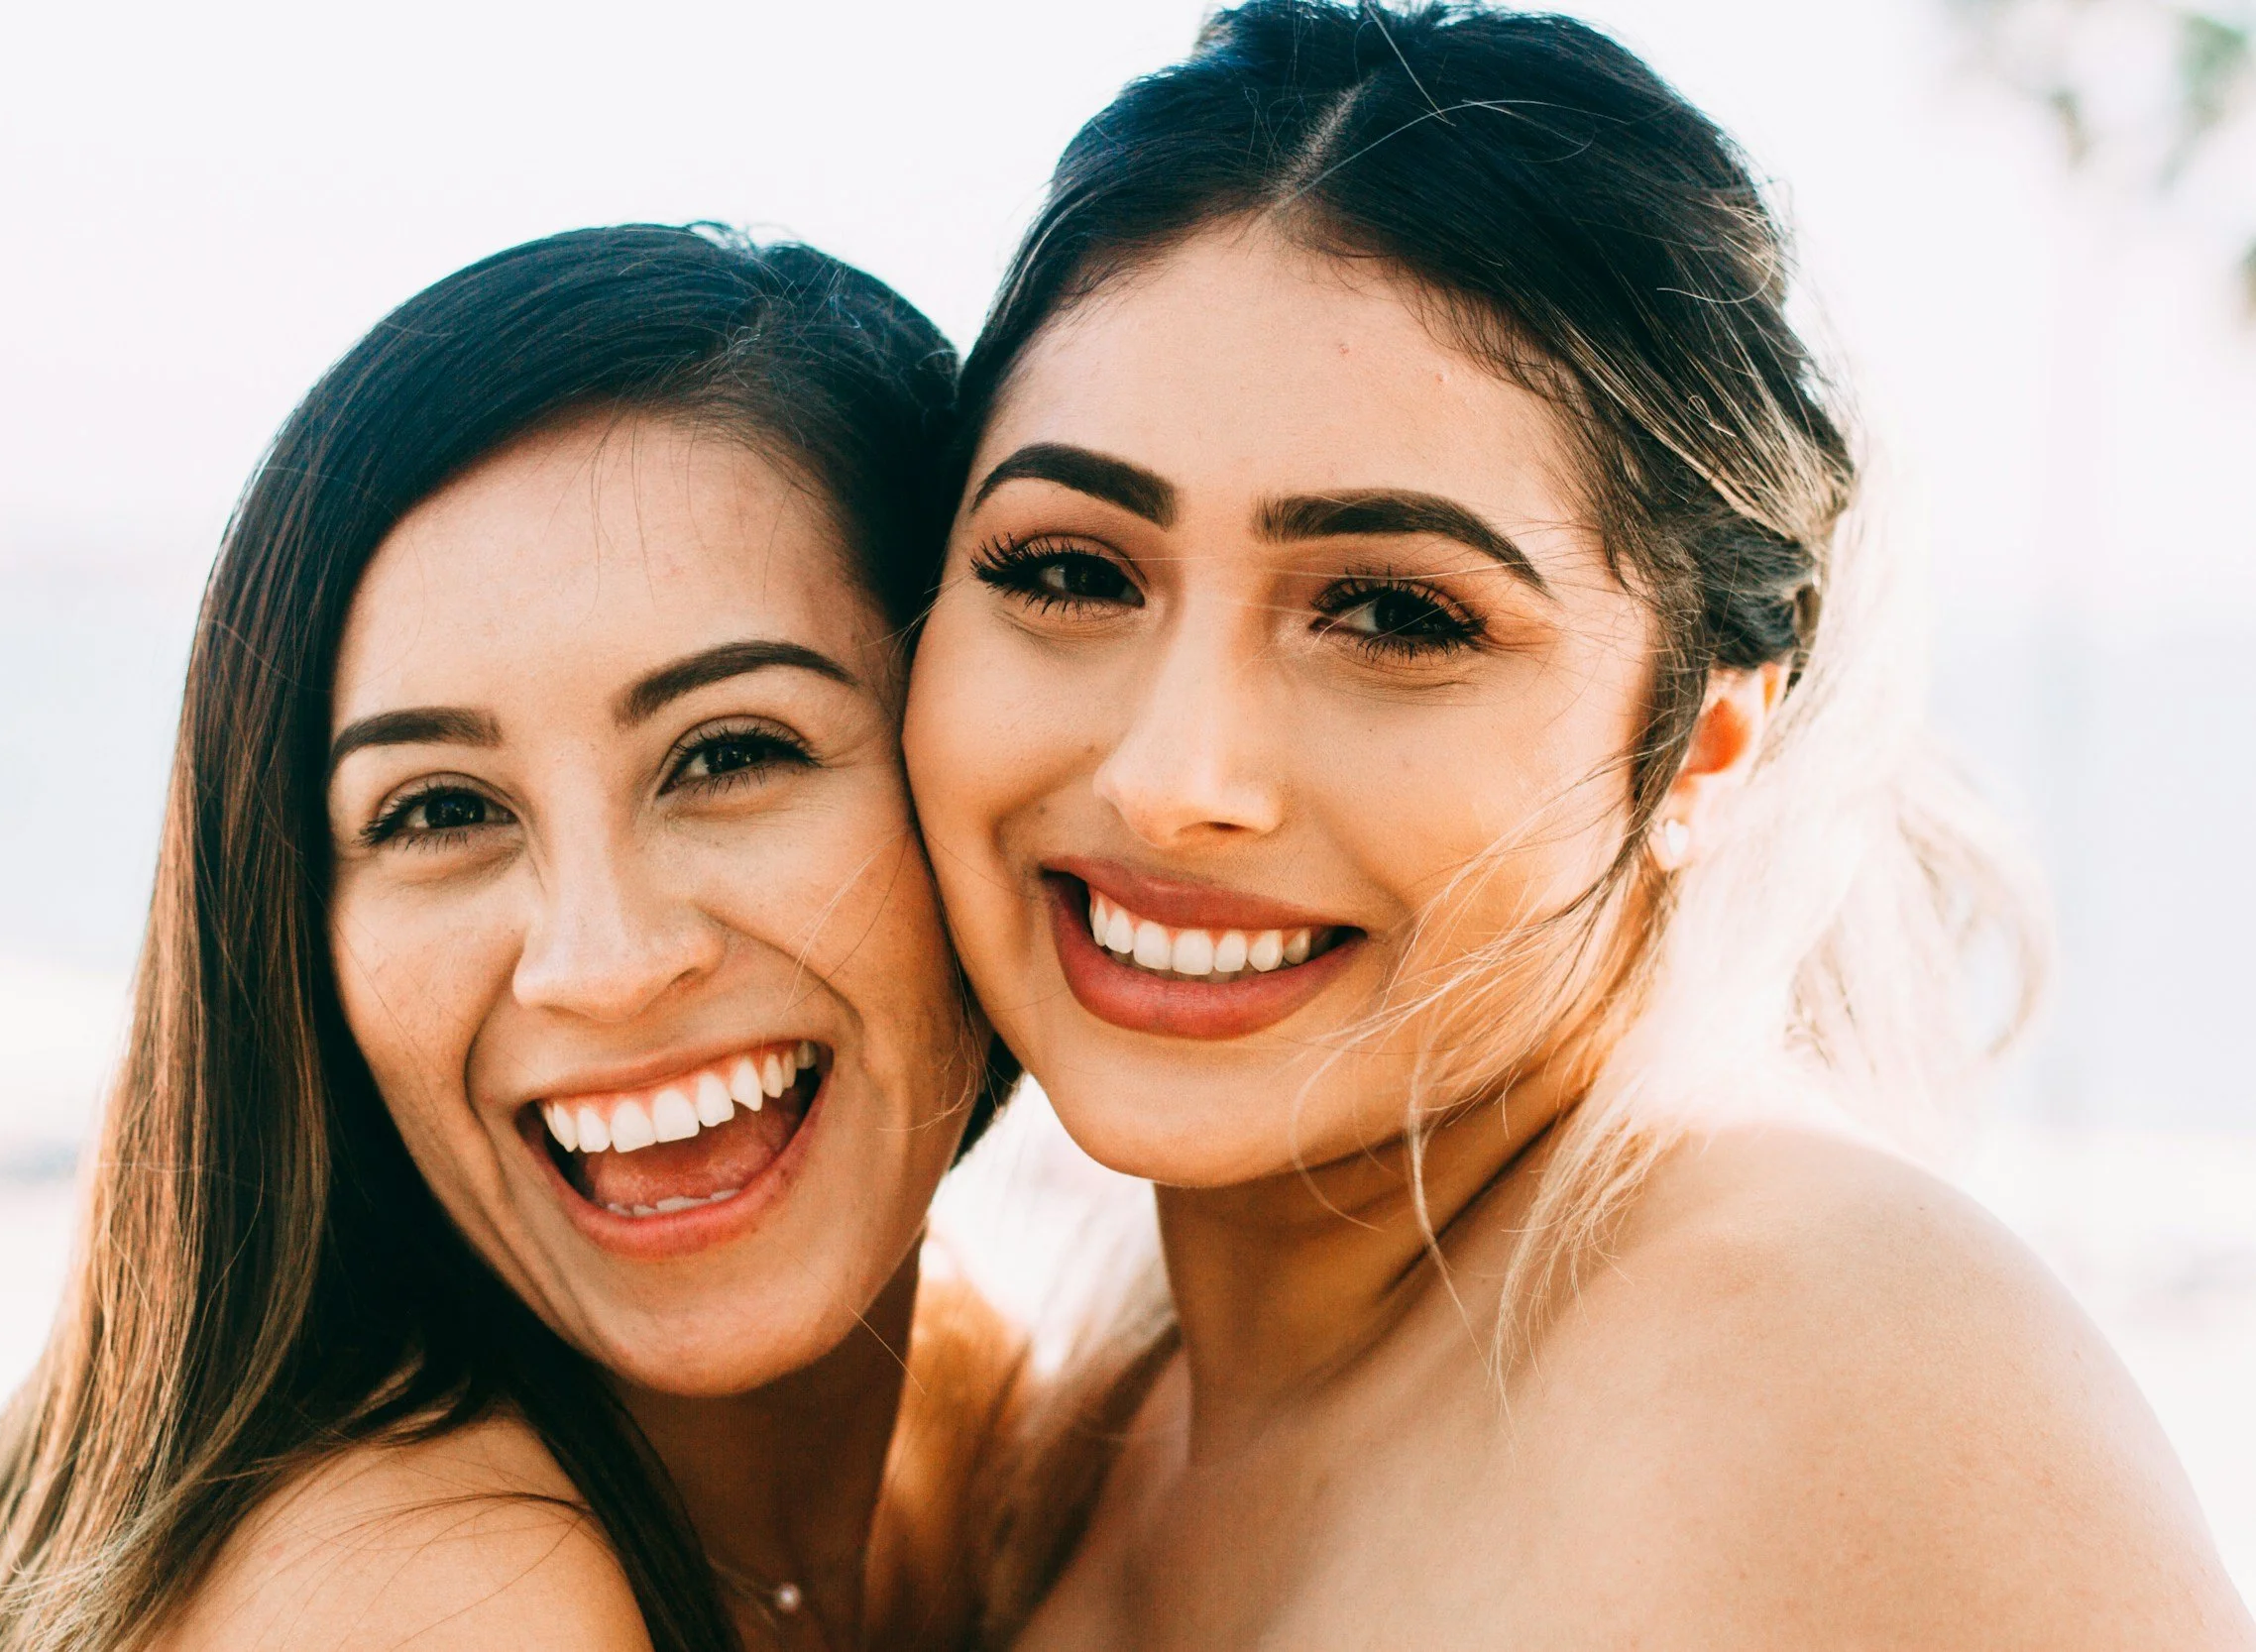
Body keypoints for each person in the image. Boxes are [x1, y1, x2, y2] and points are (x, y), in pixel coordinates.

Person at [902, 4, 2256, 1646]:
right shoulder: (1086, 1444)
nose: (1175, 773)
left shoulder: (1836, 1364)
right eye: (1069, 570)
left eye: (1396, 615)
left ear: (1704, 740)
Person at [0, 224, 1023, 1652]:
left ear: (982, 754)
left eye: (727, 754)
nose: (600, 962)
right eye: (441, 809)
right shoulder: (442, 1595)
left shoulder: (984, 1461)